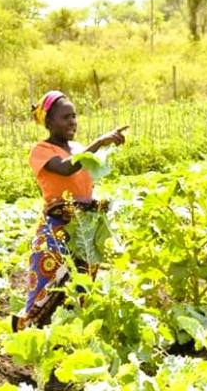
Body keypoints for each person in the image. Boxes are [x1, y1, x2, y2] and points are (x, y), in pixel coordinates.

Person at [12, 90, 127, 332]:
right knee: (49, 280)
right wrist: (98, 143)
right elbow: (65, 170)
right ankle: (28, 332)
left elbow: (86, 176)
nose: (72, 122)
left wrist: (106, 149)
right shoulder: (41, 150)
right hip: (56, 229)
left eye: (74, 116)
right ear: (49, 121)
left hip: (85, 228)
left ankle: (71, 334)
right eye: (65, 117)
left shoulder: (78, 148)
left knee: (82, 283)